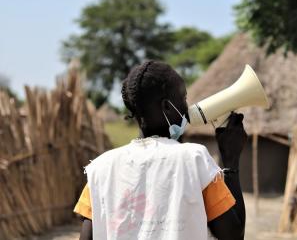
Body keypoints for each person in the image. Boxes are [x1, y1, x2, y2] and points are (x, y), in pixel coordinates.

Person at [73, 61, 247, 240]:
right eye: (184, 98)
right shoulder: (194, 159)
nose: (187, 107)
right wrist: (231, 159)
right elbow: (233, 235)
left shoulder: (102, 167)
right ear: (167, 107)